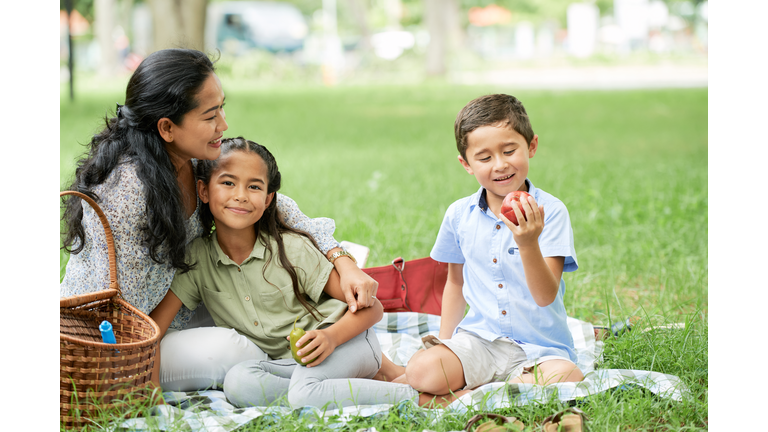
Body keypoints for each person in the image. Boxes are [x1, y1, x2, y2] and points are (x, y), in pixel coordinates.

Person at [60, 49, 378, 390]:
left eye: (222, 107)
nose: (223, 125)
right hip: (111, 343)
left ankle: (353, 362)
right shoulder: (128, 193)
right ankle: (312, 384)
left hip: (176, 313)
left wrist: (343, 262)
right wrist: (147, 395)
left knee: (275, 288)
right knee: (238, 349)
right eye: (211, 115)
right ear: (167, 127)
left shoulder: (192, 160)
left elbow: (277, 207)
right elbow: (126, 316)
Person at [149, 137, 418, 408]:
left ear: (268, 200)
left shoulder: (291, 249)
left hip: (347, 343)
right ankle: (346, 390)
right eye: (228, 183)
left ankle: (419, 397)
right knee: (239, 382)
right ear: (204, 191)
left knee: (304, 392)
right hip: (292, 365)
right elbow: (154, 330)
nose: (241, 195)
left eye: (253, 186)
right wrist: (151, 388)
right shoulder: (197, 258)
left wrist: (330, 337)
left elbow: (373, 309)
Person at [399, 94, 584, 407]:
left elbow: (544, 296)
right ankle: (501, 393)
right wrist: (447, 345)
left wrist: (527, 243)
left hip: (541, 350)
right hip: (480, 342)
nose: (500, 165)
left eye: (510, 150)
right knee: (421, 370)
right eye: (484, 158)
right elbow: (454, 284)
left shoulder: (550, 212)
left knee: (567, 376)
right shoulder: (459, 215)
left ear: (532, 146)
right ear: (467, 164)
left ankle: (471, 396)